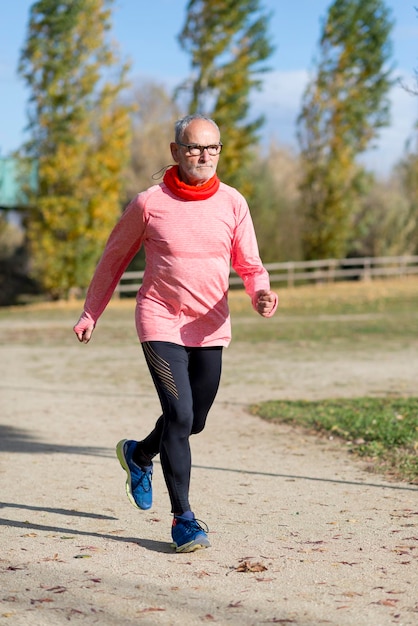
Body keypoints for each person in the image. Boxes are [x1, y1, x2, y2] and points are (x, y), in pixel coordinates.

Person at [73, 113, 278, 553]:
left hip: (210, 324)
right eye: (193, 147)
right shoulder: (149, 203)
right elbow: (113, 259)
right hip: (160, 318)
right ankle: (184, 520)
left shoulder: (233, 202)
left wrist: (260, 292)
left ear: (220, 151)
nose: (204, 156)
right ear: (175, 152)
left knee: (194, 420)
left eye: (212, 148)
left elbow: (250, 263)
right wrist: (92, 311)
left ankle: (139, 454)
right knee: (180, 416)